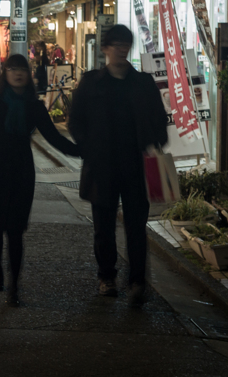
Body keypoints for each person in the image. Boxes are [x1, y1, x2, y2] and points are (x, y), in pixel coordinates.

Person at [0, 54, 79, 307]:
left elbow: (53, 137)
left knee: (15, 230)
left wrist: (82, 151)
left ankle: (14, 285)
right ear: (5, 73)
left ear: (29, 75)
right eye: (12, 69)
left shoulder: (34, 106)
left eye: (22, 70)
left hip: (20, 172)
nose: (17, 74)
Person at [68, 24, 168, 303]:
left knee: (137, 226)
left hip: (136, 164)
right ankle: (106, 277)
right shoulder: (91, 82)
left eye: (126, 44)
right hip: (102, 166)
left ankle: (137, 281)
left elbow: (160, 120)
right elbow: (75, 120)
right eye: (116, 44)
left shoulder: (143, 83)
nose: (122, 49)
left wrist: (155, 143)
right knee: (103, 227)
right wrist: (88, 147)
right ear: (105, 49)